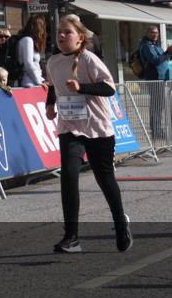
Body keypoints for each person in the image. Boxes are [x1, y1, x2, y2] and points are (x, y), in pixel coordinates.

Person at [45, 14, 131, 254]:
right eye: (59, 32)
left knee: (104, 179)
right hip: (70, 126)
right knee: (69, 176)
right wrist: (49, 106)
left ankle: (120, 223)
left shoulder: (89, 59)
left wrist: (81, 87)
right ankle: (71, 237)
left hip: (96, 127)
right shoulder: (52, 62)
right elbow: (53, 86)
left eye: (67, 32)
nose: (61, 36)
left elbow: (108, 87)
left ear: (80, 37)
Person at [16, 15, 48, 88]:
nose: (44, 30)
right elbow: (28, 63)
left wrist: (41, 80)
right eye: (43, 27)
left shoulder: (26, 40)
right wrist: (39, 81)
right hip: (30, 83)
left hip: (32, 81)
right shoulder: (28, 40)